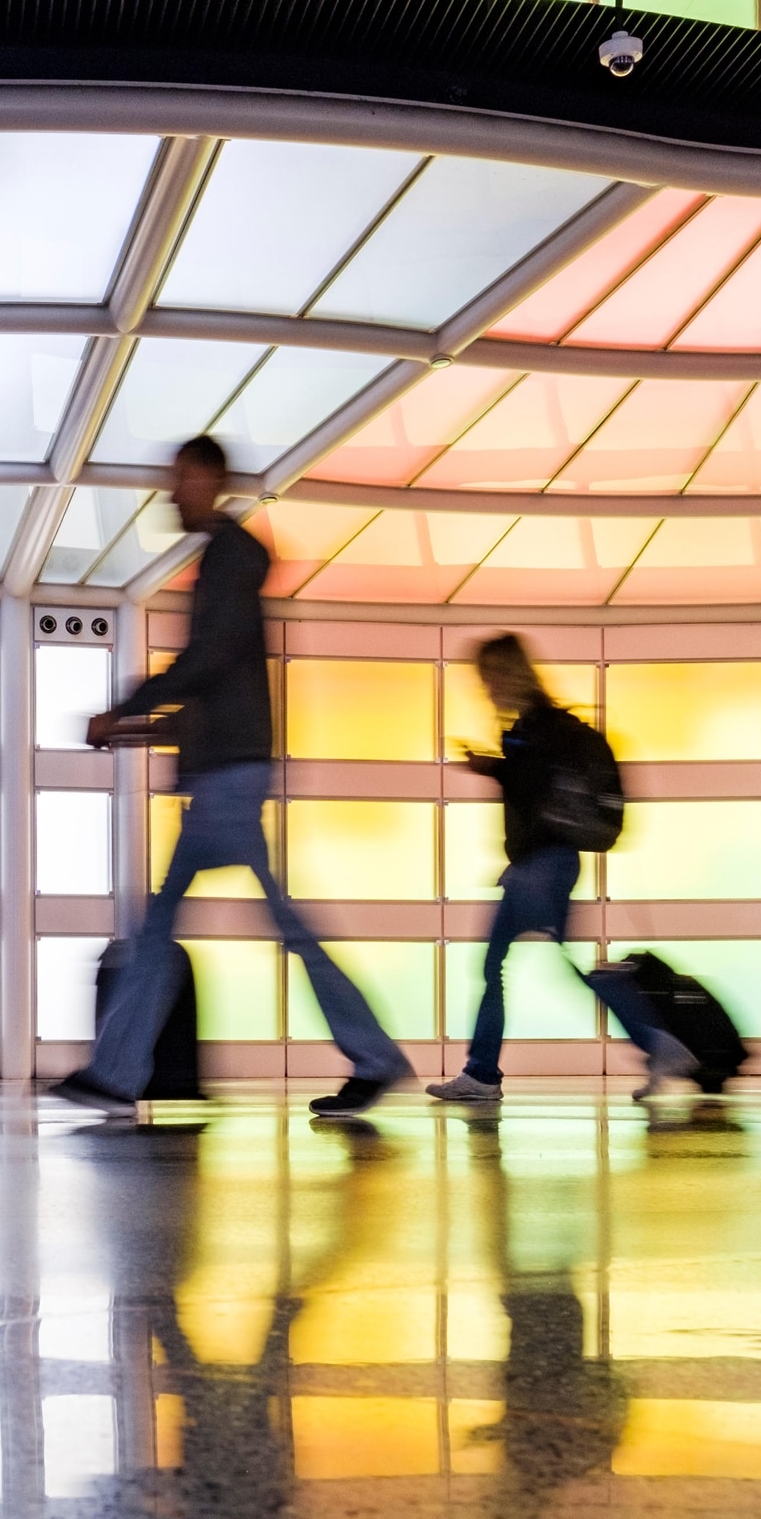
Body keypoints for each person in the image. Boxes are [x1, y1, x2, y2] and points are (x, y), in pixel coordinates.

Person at [50, 436, 409, 1119]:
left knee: (204, 928)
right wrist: (136, 730)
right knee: (206, 926)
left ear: (210, 478)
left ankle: (119, 1073)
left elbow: (209, 660)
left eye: (181, 477)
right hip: (224, 776)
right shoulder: (225, 560)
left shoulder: (229, 557)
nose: (171, 492)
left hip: (230, 783)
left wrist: (125, 708)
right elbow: (217, 685)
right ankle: (119, 1073)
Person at [429, 635, 695, 1107]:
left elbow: (533, 785)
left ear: (509, 673)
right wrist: (496, 765)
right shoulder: (537, 724)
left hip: (544, 864)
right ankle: (482, 1073)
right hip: (534, 865)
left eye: (490, 675)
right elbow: (535, 783)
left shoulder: (537, 724)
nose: (486, 686)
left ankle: (659, 1044)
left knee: (555, 962)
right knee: (500, 965)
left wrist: (495, 766)